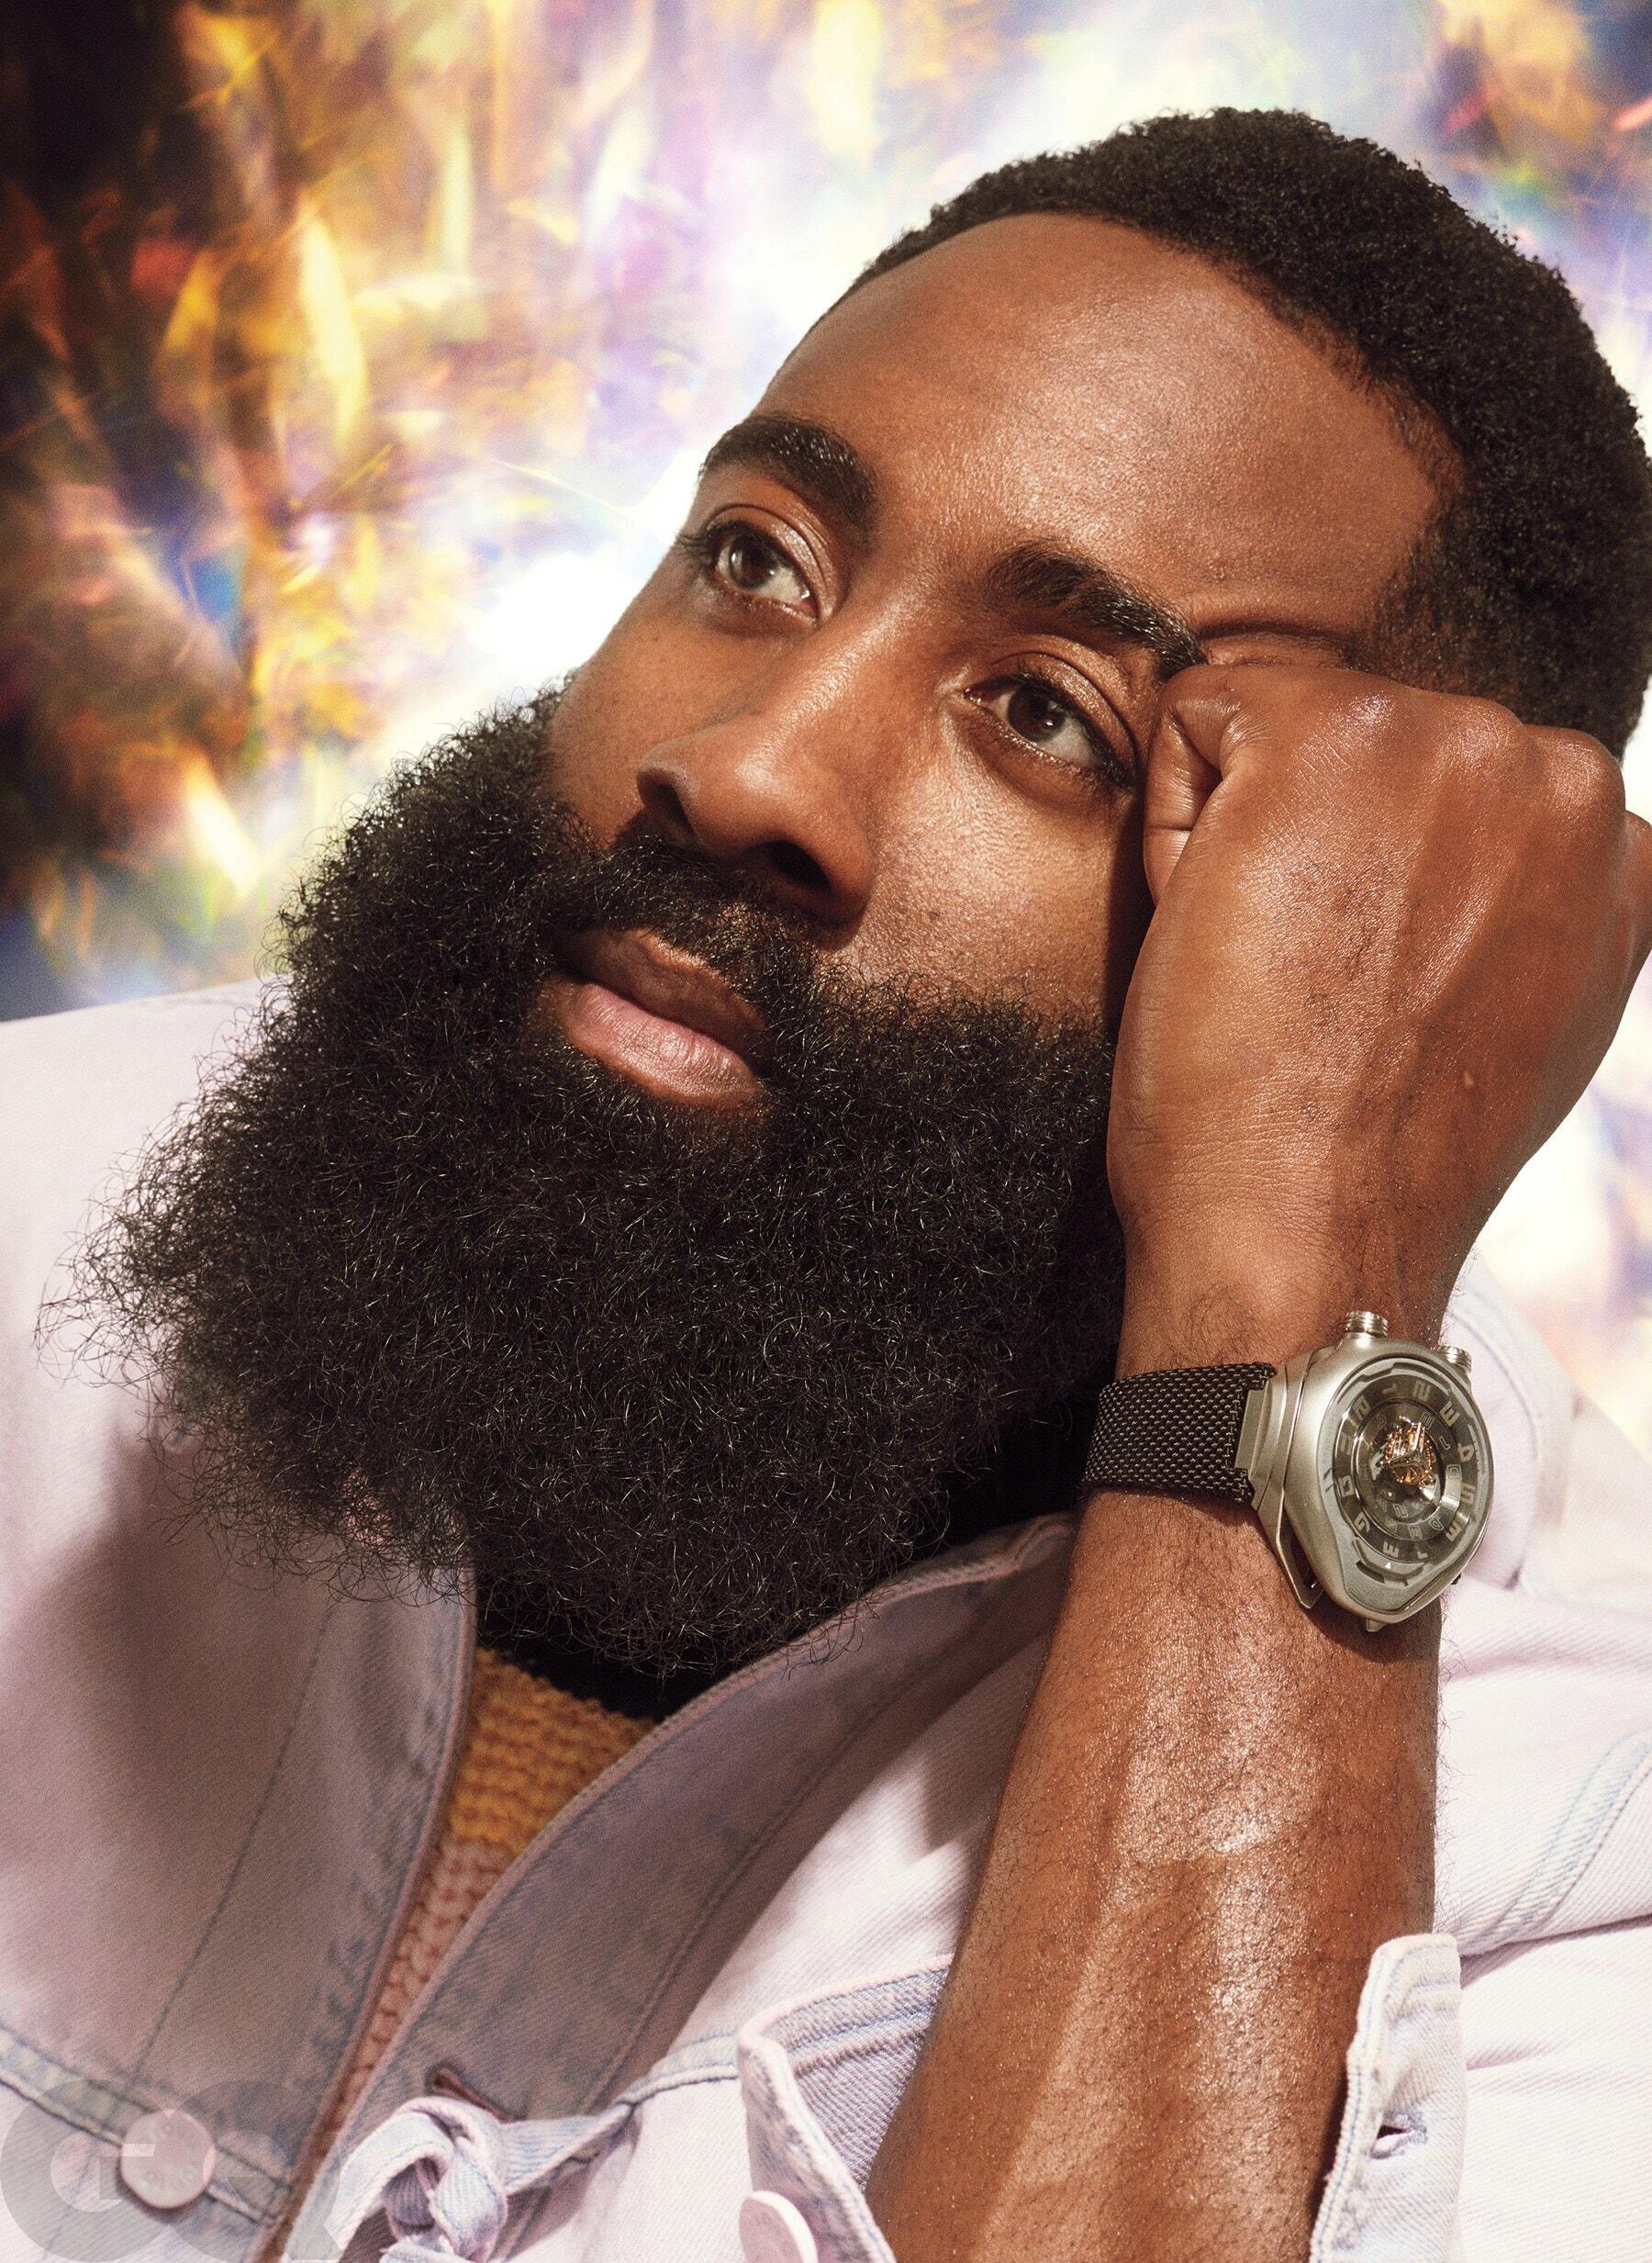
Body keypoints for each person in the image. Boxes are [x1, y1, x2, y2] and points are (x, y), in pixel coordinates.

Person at [3, 106, 1650, 2263]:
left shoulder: (1568, 1858)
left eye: (1048, 715)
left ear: (1360, 936)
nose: (749, 765)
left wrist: (1296, 1261)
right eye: (760, 560)